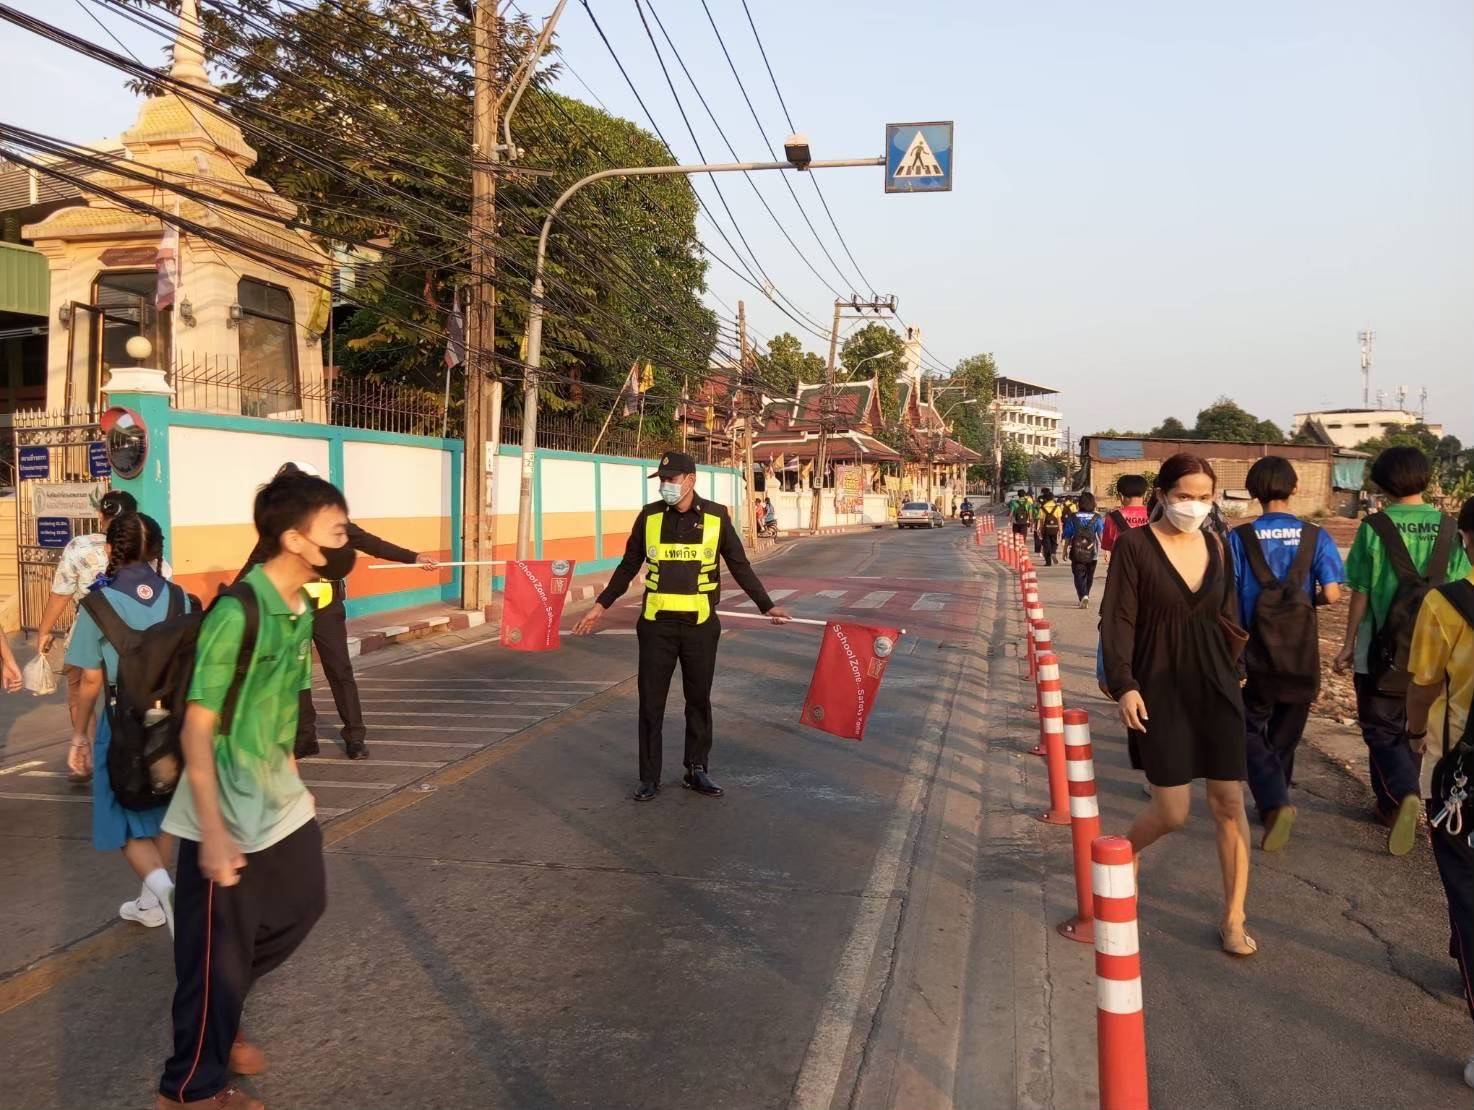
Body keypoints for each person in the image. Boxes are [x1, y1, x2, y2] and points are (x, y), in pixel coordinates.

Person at [155, 469, 344, 1110]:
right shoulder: (238, 612)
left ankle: (221, 1000)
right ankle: (189, 1091)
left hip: (277, 801)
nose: (346, 541)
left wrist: (293, 780)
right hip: (224, 808)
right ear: (294, 538)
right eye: (336, 530)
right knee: (217, 956)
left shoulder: (299, 608)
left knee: (303, 906)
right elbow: (197, 727)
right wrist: (210, 833)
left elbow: (280, 707)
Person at [1100, 453, 1256, 956]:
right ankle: (1123, 854)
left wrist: (1238, 668)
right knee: (1172, 811)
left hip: (1216, 683)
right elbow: (1118, 619)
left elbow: (1228, 611)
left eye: (1204, 497)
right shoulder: (1134, 546)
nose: (1194, 505)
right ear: (1162, 495)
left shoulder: (1217, 544)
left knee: (1229, 803)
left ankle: (1234, 917)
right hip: (1158, 685)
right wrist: (1124, 684)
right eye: (1184, 495)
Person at [572, 451, 790, 800]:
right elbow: (628, 566)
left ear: (690, 480)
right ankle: (649, 777)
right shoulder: (649, 516)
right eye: (662, 480)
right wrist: (601, 605)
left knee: (698, 699)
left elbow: (739, 565)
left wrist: (767, 606)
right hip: (656, 626)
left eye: (670, 479)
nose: (665, 486)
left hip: (699, 626)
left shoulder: (717, 517)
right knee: (651, 703)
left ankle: (696, 769)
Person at [236, 461, 437, 761]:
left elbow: (371, 543)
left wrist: (414, 557)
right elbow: (254, 564)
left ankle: (355, 736)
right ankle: (305, 737)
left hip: (326, 608)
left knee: (339, 670)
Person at [1334, 446, 1470, 854]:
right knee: (1415, 729)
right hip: (1437, 650)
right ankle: (1392, 805)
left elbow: (1360, 591)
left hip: (1381, 650)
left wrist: (1347, 643)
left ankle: (1403, 793)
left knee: (1380, 729)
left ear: (1382, 482)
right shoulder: (1450, 527)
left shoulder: (1374, 527)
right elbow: (1462, 590)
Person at [64, 512, 185, 934]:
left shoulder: (98, 604)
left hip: (121, 725)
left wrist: (79, 735)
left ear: (109, 549)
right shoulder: (180, 598)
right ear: (157, 550)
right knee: (164, 809)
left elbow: (90, 680)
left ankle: (164, 892)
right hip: (172, 723)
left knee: (121, 816)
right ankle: (151, 902)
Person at [1229, 456, 1345, 850]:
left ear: (1252, 491)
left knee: (1247, 727)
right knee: (1285, 732)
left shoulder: (1239, 538)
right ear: (1295, 488)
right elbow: (1333, 594)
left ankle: (1275, 804)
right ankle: (1275, 804)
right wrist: (1306, 601)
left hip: (1255, 649)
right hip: (1300, 651)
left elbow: (1229, 597)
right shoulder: (1316, 536)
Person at [1405, 496, 1474, 1091]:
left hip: (1461, 775)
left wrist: (1410, 731)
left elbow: (1424, 685)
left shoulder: (1448, 603)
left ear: (1467, 539)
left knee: (1467, 887)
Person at [38, 490, 173, 783]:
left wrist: (44, 630)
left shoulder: (80, 550)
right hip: (148, 675)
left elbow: (61, 593)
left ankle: (85, 754)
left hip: (88, 636)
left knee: (80, 692)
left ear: (101, 516)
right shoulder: (171, 585)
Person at [1063, 491, 1105, 607]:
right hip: (1093, 553)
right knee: (1089, 576)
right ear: (1093, 503)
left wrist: (1064, 550)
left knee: (1078, 575)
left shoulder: (1073, 517)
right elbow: (1101, 535)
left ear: (1079, 503)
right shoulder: (1097, 517)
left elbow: (1067, 535)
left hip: (1077, 552)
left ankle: (1083, 596)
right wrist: (1106, 551)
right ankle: (1086, 595)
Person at [1102, 474, 1151, 562]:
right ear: (1145, 494)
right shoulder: (1153, 514)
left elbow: (1108, 545)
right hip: (1149, 564)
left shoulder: (1112, 517)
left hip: (1123, 565)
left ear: (1120, 496)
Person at [1037, 489, 1065, 567]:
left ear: (1045, 499)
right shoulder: (1057, 508)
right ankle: (1053, 552)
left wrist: (1040, 530)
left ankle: (1048, 562)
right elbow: (1059, 521)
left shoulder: (1042, 508)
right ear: (1053, 498)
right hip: (1055, 529)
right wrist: (1061, 531)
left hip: (1046, 529)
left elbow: (1041, 521)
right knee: (1054, 542)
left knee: (1046, 545)